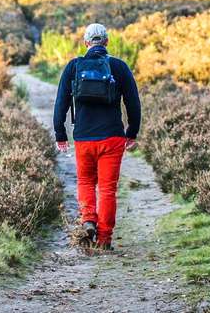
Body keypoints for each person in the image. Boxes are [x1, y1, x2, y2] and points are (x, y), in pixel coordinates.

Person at [53, 23, 141, 250]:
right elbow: (133, 102)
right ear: (107, 42)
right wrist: (132, 131)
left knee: (84, 181)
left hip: (83, 137)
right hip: (112, 137)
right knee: (108, 189)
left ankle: (88, 220)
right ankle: (104, 239)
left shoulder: (74, 66)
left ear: (86, 43)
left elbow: (61, 103)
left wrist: (60, 134)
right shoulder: (118, 67)